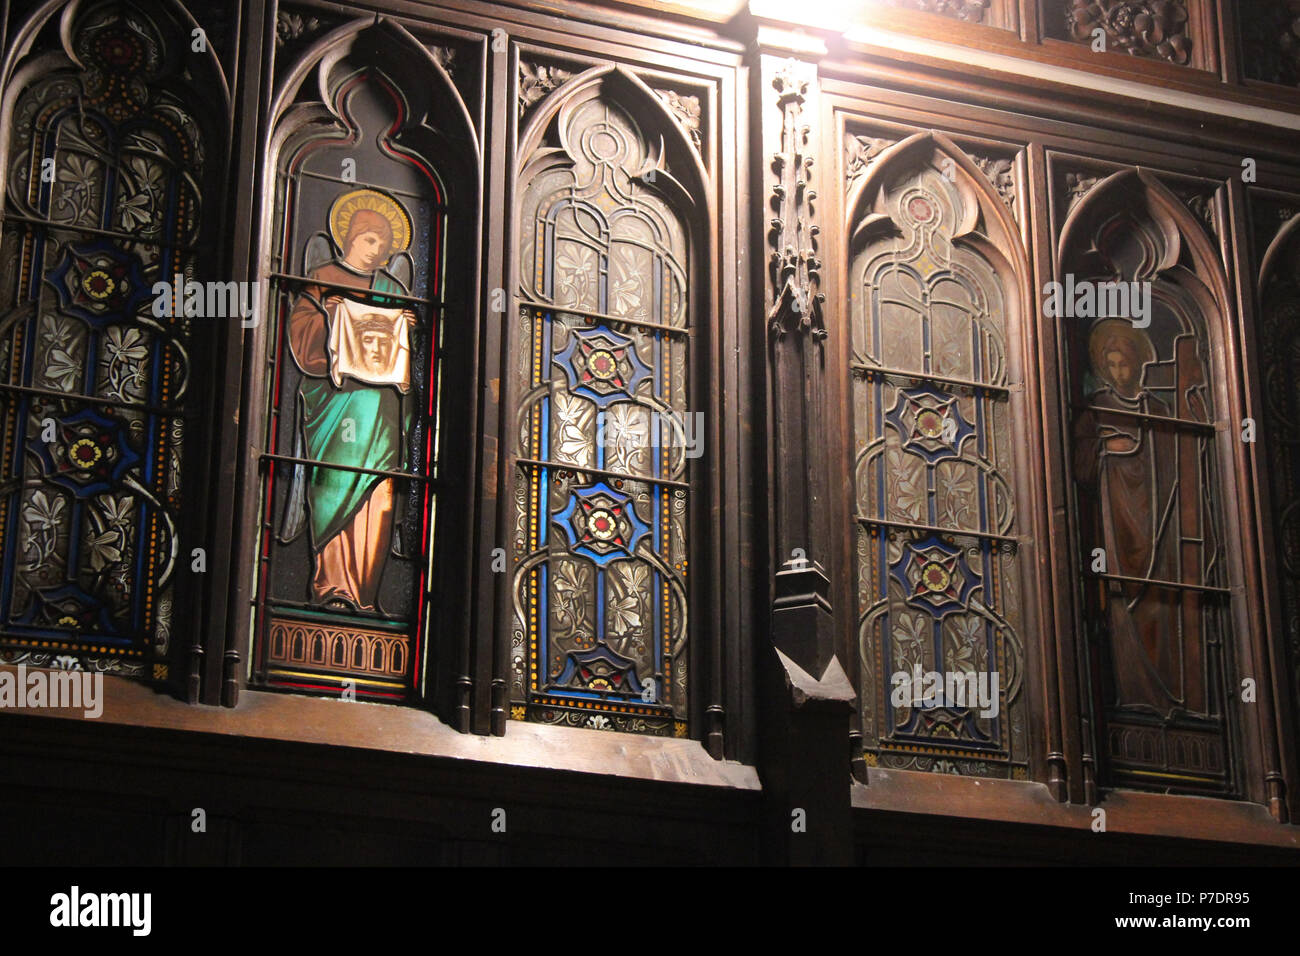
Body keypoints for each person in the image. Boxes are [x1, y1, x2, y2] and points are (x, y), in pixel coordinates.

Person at [284, 202, 416, 611]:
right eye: (369, 239)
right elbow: (301, 334)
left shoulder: (392, 288)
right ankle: (331, 587)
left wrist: (408, 326)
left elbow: (409, 358)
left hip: (382, 413)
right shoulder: (322, 279)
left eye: (384, 243)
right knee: (334, 488)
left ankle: (364, 593)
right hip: (335, 407)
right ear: (349, 238)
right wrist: (331, 318)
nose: (376, 249)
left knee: (378, 493)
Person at [1073, 320, 1185, 715]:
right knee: (1120, 601)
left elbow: (1179, 466)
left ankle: (1170, 698)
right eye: (1112, 364)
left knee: (1160, 604)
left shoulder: (1157, 409)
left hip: (1157, 526)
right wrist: (1104, 452)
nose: (1120, 372)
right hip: (1114, 524)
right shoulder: (1097, 409)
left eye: (1126, 363)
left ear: (1139, 363)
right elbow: (1080, 468)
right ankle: (1134, 696)